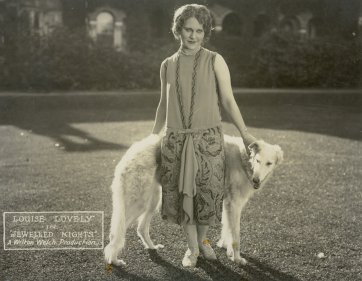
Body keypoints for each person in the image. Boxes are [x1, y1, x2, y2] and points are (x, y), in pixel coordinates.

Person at [152, 4, 256, 267]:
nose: (193, 35)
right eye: (188, 29)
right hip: (175, 140)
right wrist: (153, 139)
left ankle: (203, 240)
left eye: (199, 30)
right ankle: (192, 249)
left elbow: (228, 100)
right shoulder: (167, 65)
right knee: (183, 196)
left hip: (209, 140)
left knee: (208, 195)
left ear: (206, 32)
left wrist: (244, 134)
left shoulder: (215, 60)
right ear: (178, 30)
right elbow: (163, 105)